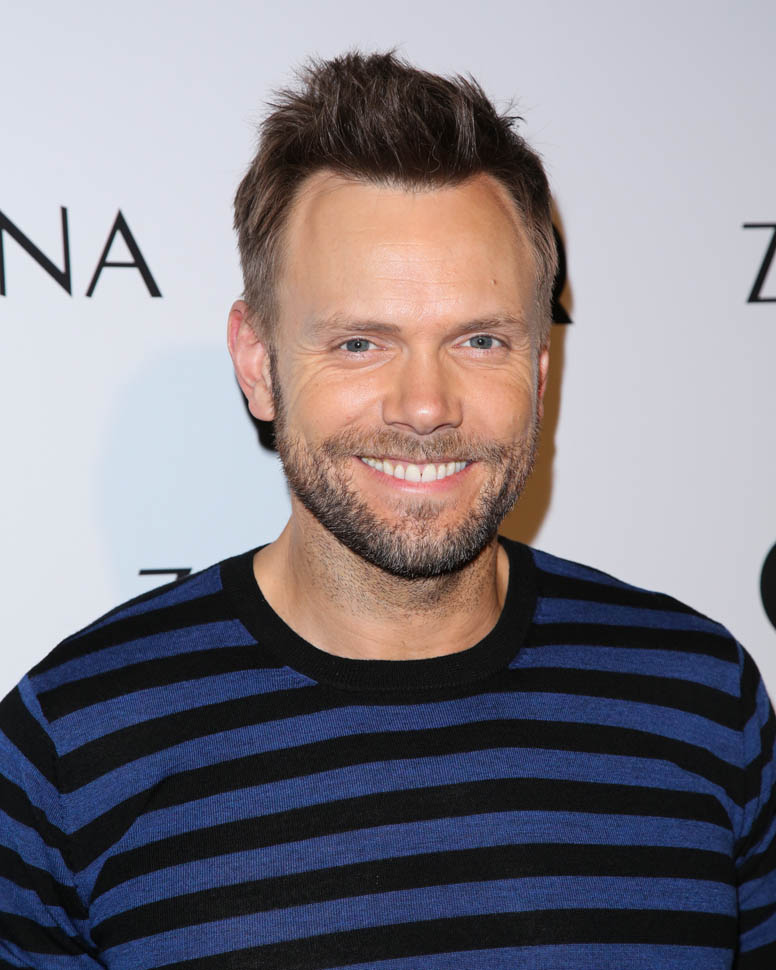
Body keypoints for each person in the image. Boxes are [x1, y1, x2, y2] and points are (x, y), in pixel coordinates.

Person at [1, 51, 774, 970]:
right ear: (258, 364)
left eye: (479, 340)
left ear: (539, 369)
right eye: (361, 342)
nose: (425, 406)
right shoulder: (70, 750)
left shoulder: (702, 701)